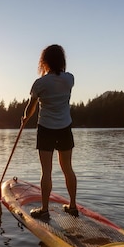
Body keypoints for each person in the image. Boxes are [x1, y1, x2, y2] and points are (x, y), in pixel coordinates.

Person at [21, 44, 78, 219]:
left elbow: (31, 109)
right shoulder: (70, 79)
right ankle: (73, 206)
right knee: (68, 168)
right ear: (62, 61)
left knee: (46, 171)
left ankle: (44, 210)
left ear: (44, 62)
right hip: (64, 128)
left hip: (46, 129)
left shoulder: (40, 83)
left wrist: (24, 119)